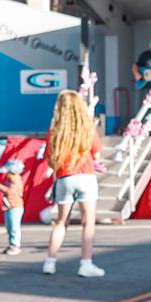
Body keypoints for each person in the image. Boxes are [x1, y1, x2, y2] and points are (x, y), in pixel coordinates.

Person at [43, 90, 104, 277]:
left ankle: (50, 262)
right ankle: (86, 264)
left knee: (61, 222)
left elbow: (50, 159)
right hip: (85, 175)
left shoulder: (55, 131)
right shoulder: (87, 128)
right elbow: (97, 154)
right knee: (88, 222)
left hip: (64, 177)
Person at [0, 159, 26, 256]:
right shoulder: (9, 180)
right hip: (9, 206)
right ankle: (11, 244)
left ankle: (15, 245)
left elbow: (10, 191)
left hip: (15, 206)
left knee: (14, 227)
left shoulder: (16, 180)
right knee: (9, 227)